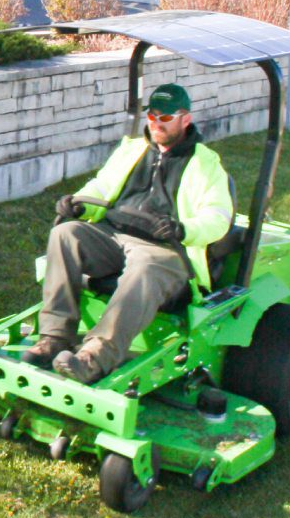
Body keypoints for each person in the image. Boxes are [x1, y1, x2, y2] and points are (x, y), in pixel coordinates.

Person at [21, 83, 235, 383]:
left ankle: (95, 357)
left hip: (166, 247)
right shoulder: (132, 149)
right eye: (153, 116)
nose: (156, 124)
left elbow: (218, 217)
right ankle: (55, 336)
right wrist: (78, 204)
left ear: (185, 119)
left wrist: (183, 228)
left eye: (165, 118)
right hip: (114, 235)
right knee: (66, 233)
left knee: (145, 266)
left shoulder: (205, 163)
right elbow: (102, 186)